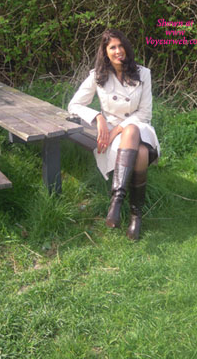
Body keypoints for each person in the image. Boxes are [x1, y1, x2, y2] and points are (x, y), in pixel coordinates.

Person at [68, 28, 160, 240]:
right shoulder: (98, 76)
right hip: (112, 133)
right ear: (105, 52)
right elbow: (74, 105)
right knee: (141, 153)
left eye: (121, 46)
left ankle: (116, 201)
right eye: (112, 47)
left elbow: (145, 113)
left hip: (140, 127)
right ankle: (136, 216)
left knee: (132, 129)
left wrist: (119, 128)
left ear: (126, 48)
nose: (118, 51)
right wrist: (98, 117)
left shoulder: (143, 73)